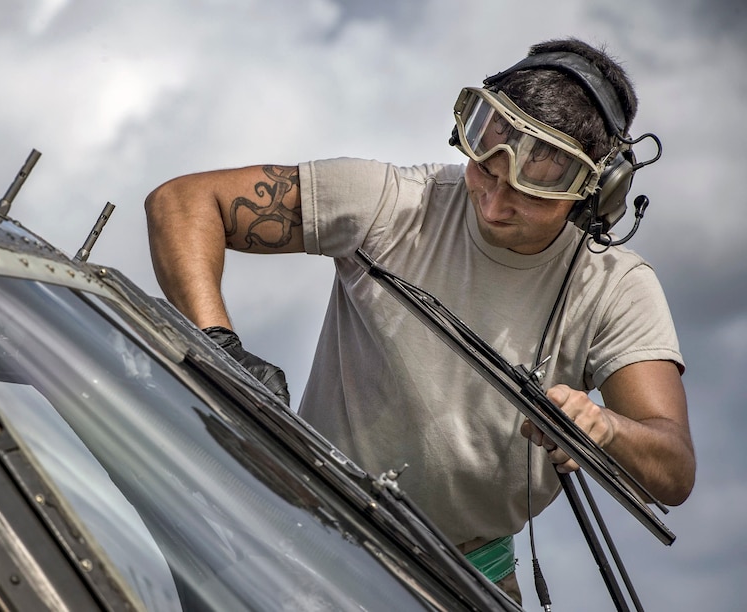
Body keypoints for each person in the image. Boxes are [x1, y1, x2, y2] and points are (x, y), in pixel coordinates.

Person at [144, 38, 695, 603]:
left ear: (597, 193)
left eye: (528, 194)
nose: (493, 205)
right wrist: (218, 347)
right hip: (304, 541)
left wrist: (606, 429)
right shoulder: (391, 202)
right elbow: (183, 203)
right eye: (485, 170)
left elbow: (673, 471)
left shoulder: (615, 288)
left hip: (466, 580)